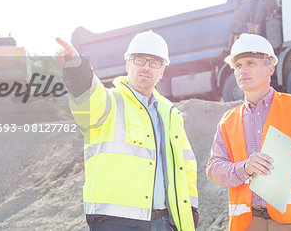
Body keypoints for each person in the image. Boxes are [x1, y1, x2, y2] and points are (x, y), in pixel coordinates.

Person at [55, 31, 199, 231]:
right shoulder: (109, 103)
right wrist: (77, 69)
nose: (147, 67)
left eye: (155, 62)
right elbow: (87, 97)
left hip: (166, 223)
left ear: (162, 71)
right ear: (127, 64)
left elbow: (186, 166)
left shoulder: (171, 115)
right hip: (116, 222)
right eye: (140, 60)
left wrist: (190, 209)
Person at [206, 33, 291, 231]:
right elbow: (213, 169)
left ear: (270, 67)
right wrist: (244, 168)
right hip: (249, 223)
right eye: (238, 66)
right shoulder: (228, 121)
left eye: (251, 63)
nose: (243, 70)